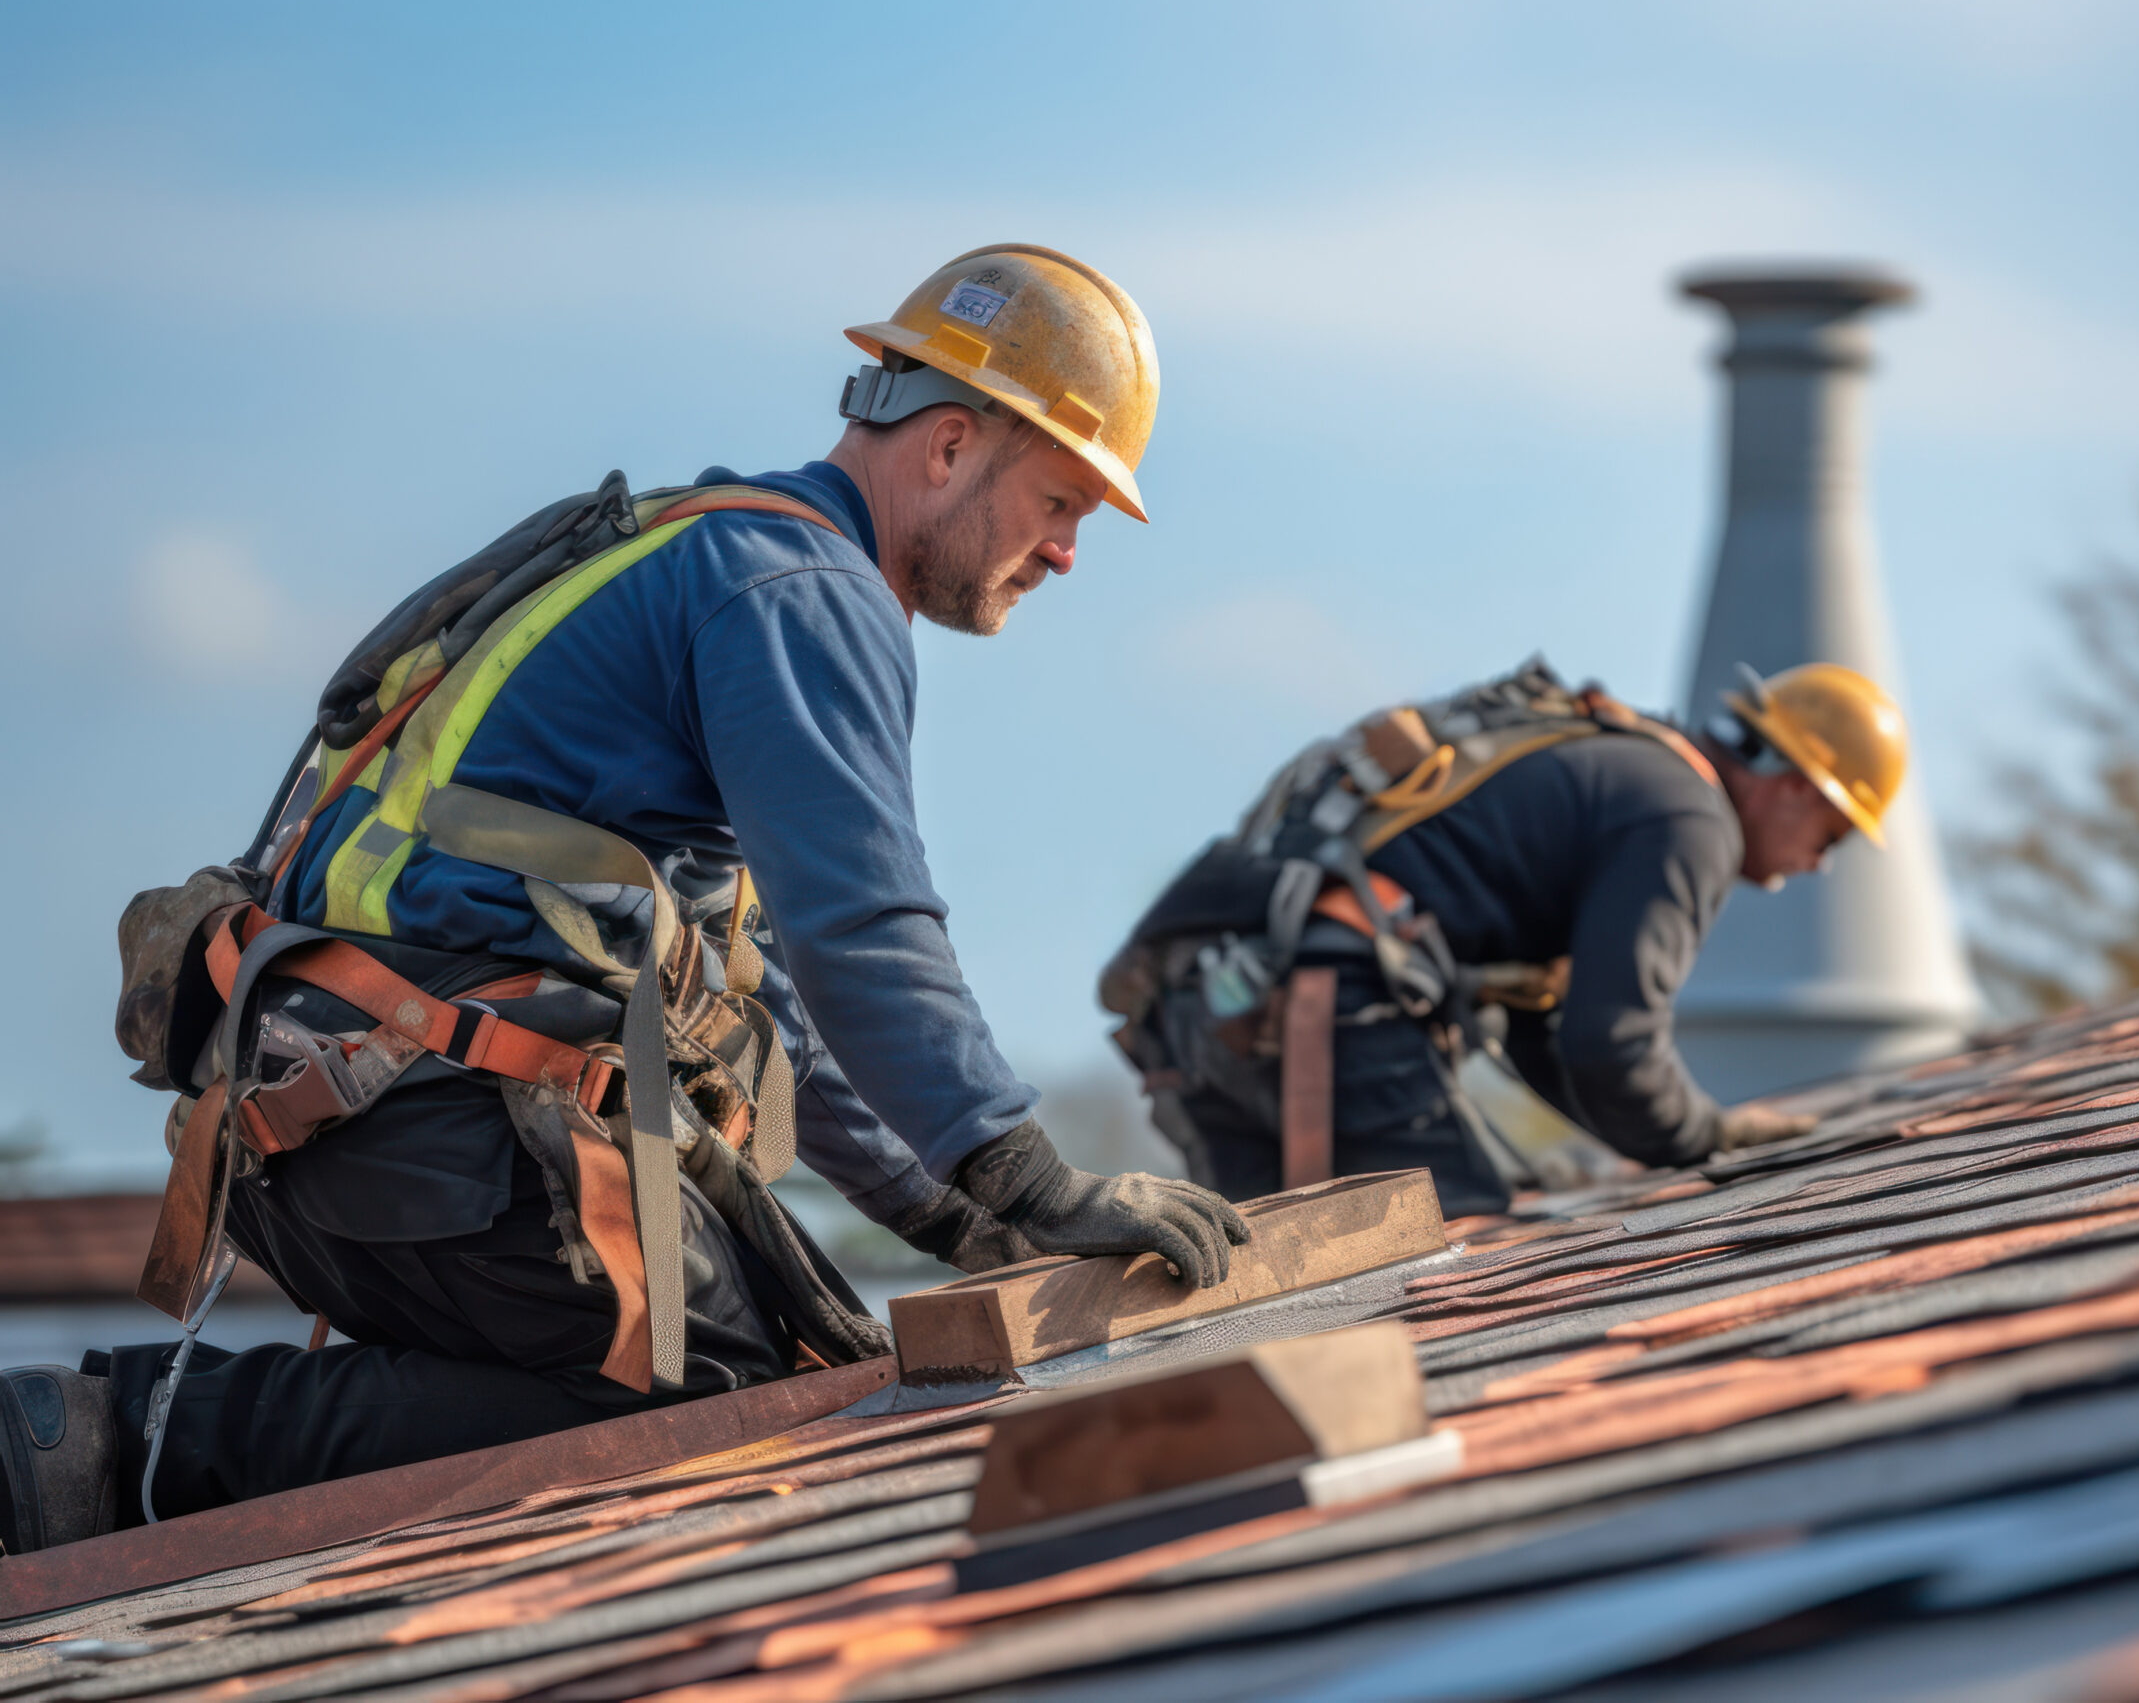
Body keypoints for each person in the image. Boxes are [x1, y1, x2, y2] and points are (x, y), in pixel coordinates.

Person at [0, 245, 1248, 1554]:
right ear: (948, 447)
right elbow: (862, 931)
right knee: (723, 1407)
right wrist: (1027, 1173)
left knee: (776, 1365)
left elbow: (782, 1007)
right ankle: (122, 1443)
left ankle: (108, 1448)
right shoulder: (803, 590)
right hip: (425, 1125)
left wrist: (951, 1213)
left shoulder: (707, 551)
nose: (1066, 554)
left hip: (318, 1121)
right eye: (1060, 501)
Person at [1102, 657, 1908, 1219]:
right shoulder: (1690, 820)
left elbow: (1542, 1034)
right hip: (1325, 1003)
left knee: (1260, 1300)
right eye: (1832, 836)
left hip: (1203, 1006)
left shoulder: (1621, 768)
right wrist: (1705, 1135)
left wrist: (1667, 1134)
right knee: (1441, 1256)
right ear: (1797, 786)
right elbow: (1611, 1043)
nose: (1816, 865)